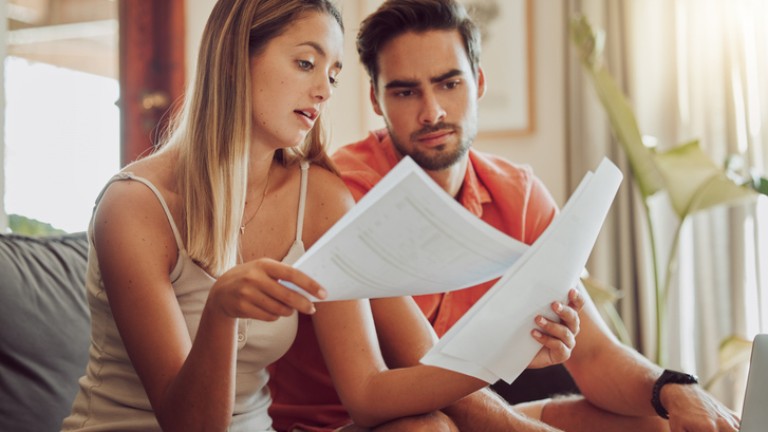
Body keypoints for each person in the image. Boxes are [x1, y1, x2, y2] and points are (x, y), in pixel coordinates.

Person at [62, 0, 580, 431]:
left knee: (427, 428)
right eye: (306, 64)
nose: (324, 90)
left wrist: (504, 353)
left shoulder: (322, 198)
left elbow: (369, 392)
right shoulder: (134, 206)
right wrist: (220, 314)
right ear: (234, 58)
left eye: (333, 75)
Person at [268, 1, 743, 431]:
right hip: (359, 423)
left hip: (471, 410)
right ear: (376, 101)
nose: (432, 112)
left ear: (478, 82)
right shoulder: (347, 191)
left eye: (448, 83)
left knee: (656, 424)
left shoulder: (518, 194)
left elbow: (595, 353)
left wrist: (676, 389)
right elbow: (438, 389)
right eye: (406, 92)